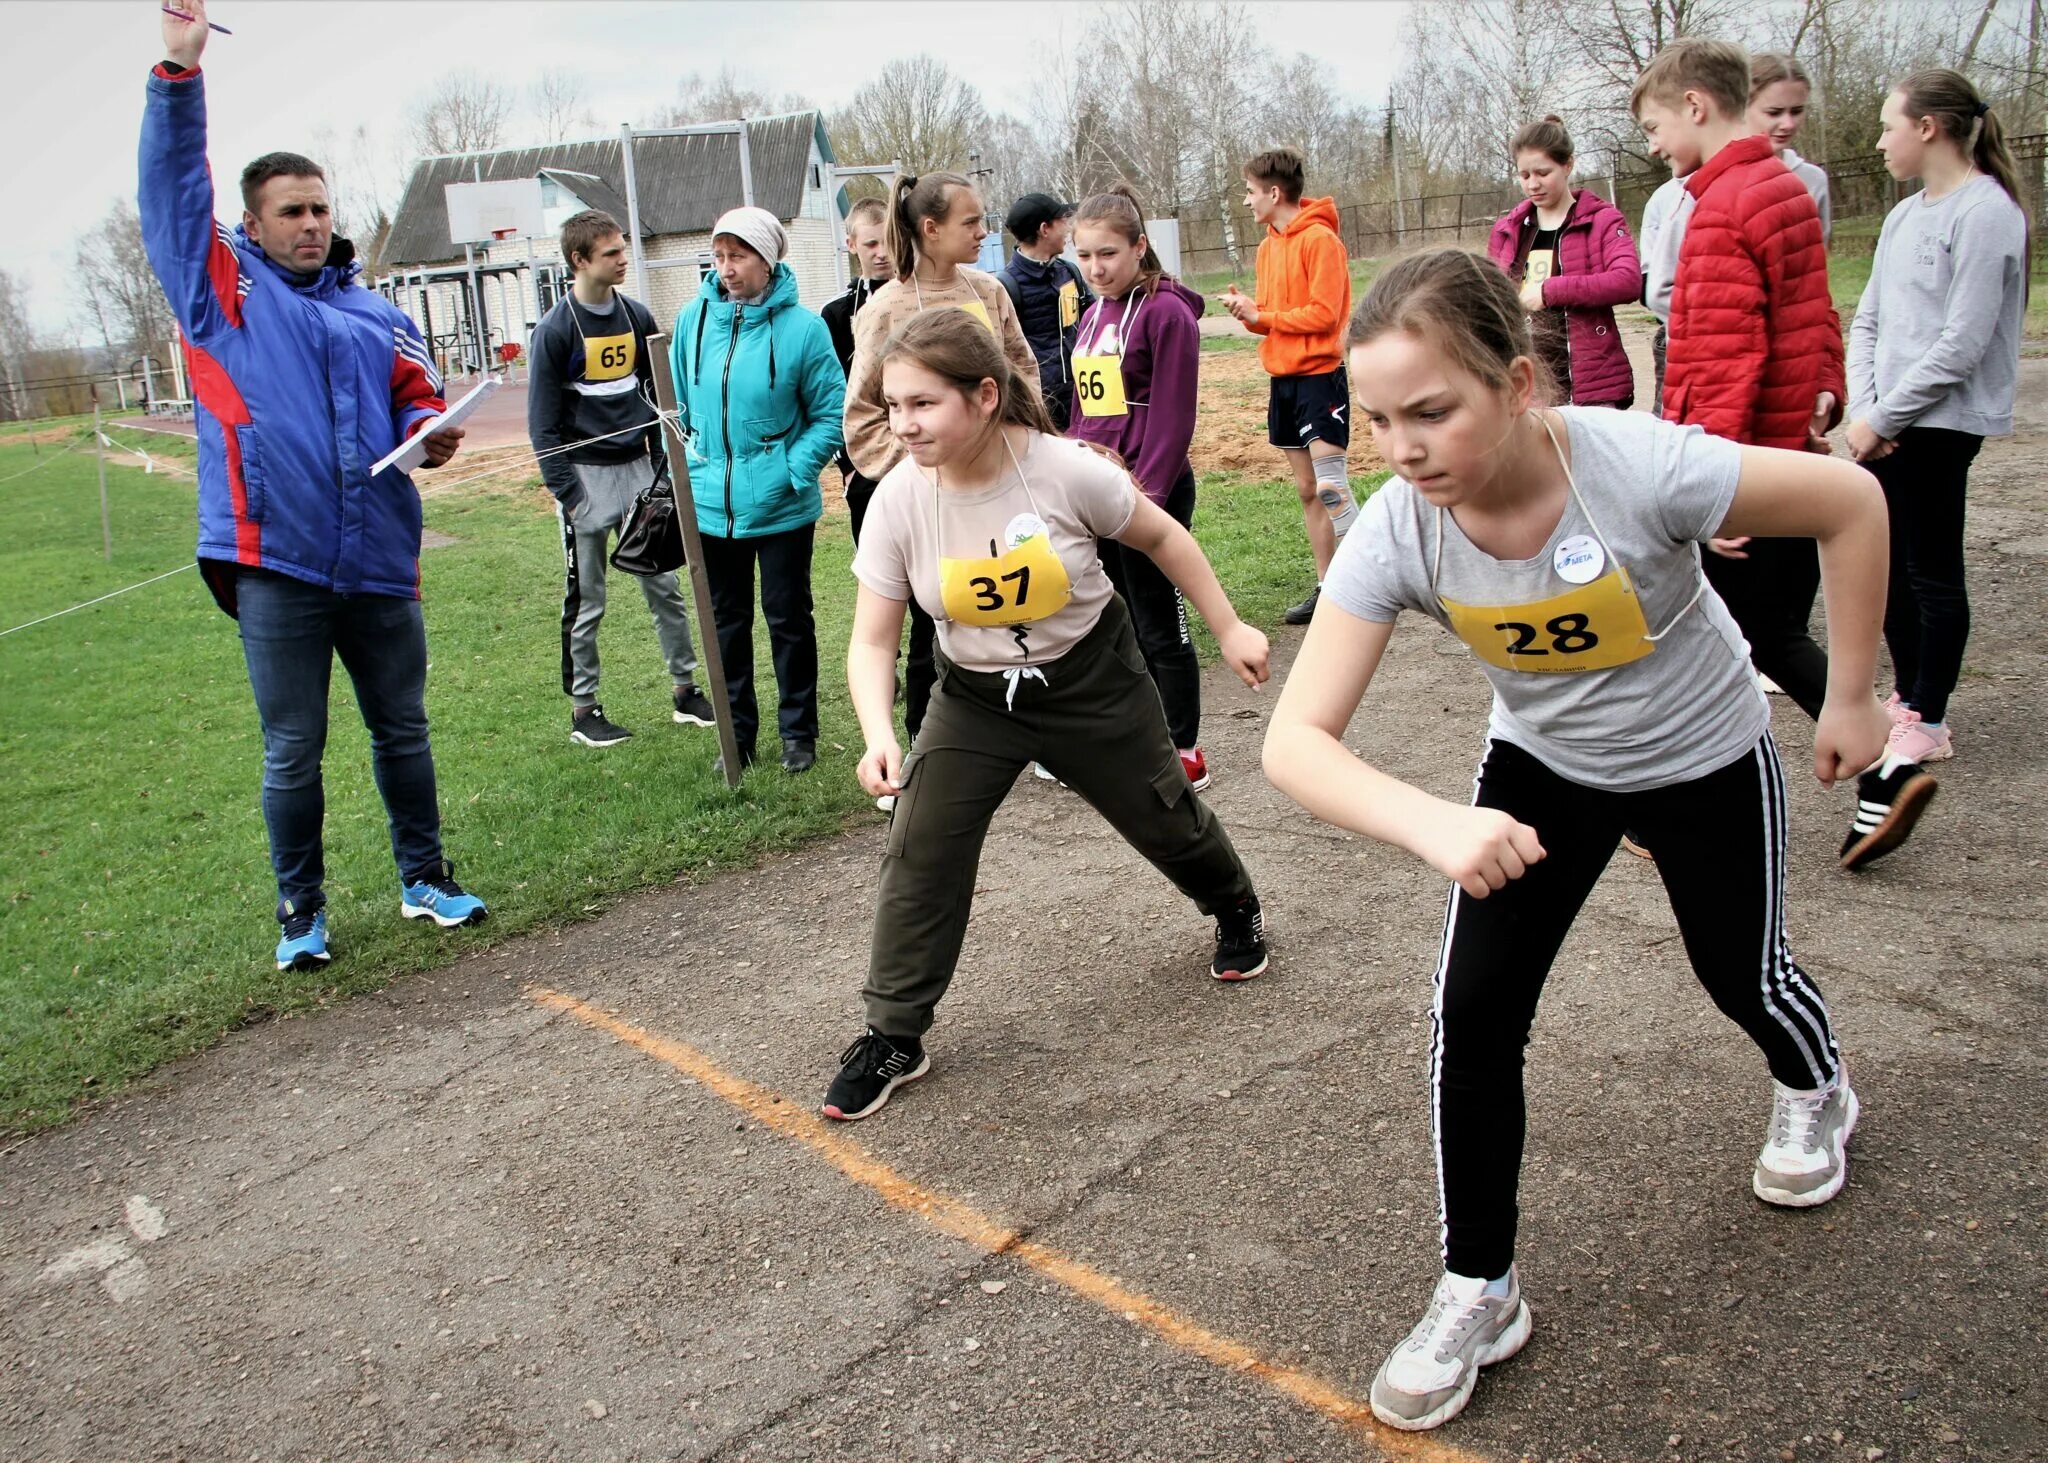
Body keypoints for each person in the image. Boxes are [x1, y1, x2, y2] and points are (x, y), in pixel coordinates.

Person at [1264, 249, 1889, 1432]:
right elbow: (1293, 741)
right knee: (1474, 1012)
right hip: (1544, 769)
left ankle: (1816, 1083)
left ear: (1515, 385)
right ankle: (1477, 1285)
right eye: (1378, 418)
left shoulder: (1635, 465)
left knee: (1736, 971)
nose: (1402, 447)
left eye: (1433, 411)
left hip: (1702, 749)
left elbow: (1849, 503)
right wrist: (1434, 821)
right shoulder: (1398, 527)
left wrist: (1850, 695)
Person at [824, 310, 1271, 1122]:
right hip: (974, 700)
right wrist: (880, 735)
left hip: (1093, 681)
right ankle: (894, 1032)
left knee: (1162, 815)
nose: (904, 424)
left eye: (924, 404)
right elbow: (871, 641)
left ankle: (1234, 902)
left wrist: (1229, 624)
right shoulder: (896, 500)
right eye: (894, 406)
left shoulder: (1067, 472)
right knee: (921, 845)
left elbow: (1165, 538)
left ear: (986, 396)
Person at [141, 0, 485, 973]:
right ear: (253, 222)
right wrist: (179, 74)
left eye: (321, 208)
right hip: (274, 560)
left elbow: (419, 398)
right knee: (292, 746)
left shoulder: (376, 312)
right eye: (290, 211)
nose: (310, 224)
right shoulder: (221, 293)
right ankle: (302, 911)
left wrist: (433, 436)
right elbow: (170, 194)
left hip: (378, 552)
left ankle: (424, 876)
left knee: (403, 728)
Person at [1636, 39, 1935, 866]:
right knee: (1758, 629)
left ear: (1696, 104)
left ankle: (1869, 762)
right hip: (1786, 452)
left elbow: (1723, 356)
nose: (1656, 145)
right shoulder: (1782, 188)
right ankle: (1875, 768)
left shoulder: (1724, 205)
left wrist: (1712, 487)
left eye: (1657, 125)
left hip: (1746, 468)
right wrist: (1827, 390)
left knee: (1699, 628)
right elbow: (1813, 316)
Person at [1846, 69, 2028, 774]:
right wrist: (1866, 412)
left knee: (1931, 570)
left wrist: (1887, 414)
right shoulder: (1904, 214)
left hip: (1940, 424)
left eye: (1890, 125)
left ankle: (1932, 711)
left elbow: (1964, 340)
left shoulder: (1987, 213)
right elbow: (1867, 319)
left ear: (1929, 128)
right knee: (1886, 567)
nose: (1882, 139)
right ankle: (1908, 696)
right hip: (1884, 425)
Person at [843, 172, 1043, 752]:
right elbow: (862, 416)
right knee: (936, 621)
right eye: (971, 222)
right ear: (930, 230)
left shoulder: (990, 293)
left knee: (1018, 603)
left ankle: (1035, 735)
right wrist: (922, 470)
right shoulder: (887, 309)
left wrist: (1013, 451)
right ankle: (928, 750)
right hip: (931, 504)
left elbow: (1023, 377)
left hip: (1002, 489)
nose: (984, 231)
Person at [668, 207, 845, 774]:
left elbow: (831, 413)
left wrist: (793, 471)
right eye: (719, 257)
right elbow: (675, 407)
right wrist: (689, 471)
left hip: (782, 505)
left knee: (788, 618)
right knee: (726, 621)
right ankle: (737, 736)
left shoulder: (804, 329)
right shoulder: (691, 323)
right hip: (711, 506)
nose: (727, 269)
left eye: (739, 256)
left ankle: (799, 734)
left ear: (768, 260)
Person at [527, 209, 712, 748]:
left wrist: (662, 465)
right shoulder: (555, 330)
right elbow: (541, 422)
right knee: (588, 600)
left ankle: (686, 691)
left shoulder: (635, 316)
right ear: (580, 260)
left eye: (623, 248)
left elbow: (658, 394)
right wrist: (569, 493)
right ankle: (585, 710)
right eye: (610, 252)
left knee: (666, 587)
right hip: (586, 481)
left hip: (640, 475)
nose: (623, 258)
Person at [1068, 185, 1213, 789]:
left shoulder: (1166, 313)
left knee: (1160, 623)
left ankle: (1183, 747)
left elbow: (1174, 416)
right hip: (1095, 494)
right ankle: (1131, 734)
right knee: (1113, 623)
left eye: (1108, 254)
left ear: (1140, 247)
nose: (1096, 269)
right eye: (1084, 257)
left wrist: (1143, 499)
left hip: (1149, 494)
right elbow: (1084, 408)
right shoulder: (1090, 312)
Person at [1221, 147, 1356, 627]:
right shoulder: (1266, 246)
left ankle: (1371, 577)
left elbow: (1323, 314)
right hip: (1283, 381)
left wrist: (1266, 316)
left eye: (1251, 192)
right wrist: (1249, 313)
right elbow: (1273, 322)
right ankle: (1329, 587)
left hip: (1321, 378)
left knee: (1330, 486)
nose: (1246, 202)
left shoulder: (1320, 240)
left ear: (1274, 193)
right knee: (1306, 489)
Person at [1486, 116, 1641, 410]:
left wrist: (1549, 291)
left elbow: (1627, 280)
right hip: (1534, 386)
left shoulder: (1603, 221)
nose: (1533, 184)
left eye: (1543, 172)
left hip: (1594, 386)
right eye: (1524, 175)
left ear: (1568, 165)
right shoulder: (1507, 230)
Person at [999, 192, 1093, 431]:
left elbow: (1093, 318)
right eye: (1063, 221)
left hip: (1083, 394)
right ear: (1045, 229)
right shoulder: (1006, 287)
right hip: (1040, 404)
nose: (1067, 228)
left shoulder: (1068, 272)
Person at [1749, 54, 1832, 242]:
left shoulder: (1813, 179)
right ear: (1743, 108)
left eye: (1796, 111)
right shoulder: (1710, 178)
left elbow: (1819, 255)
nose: (1788, 124)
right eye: (1774, 112)